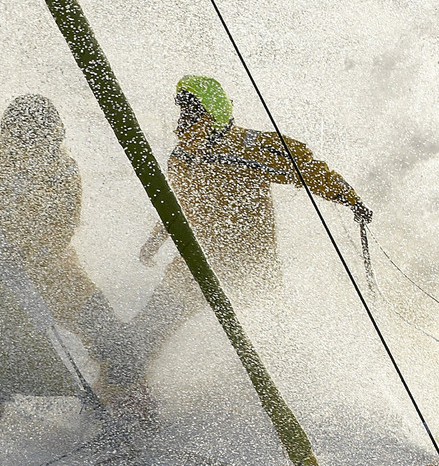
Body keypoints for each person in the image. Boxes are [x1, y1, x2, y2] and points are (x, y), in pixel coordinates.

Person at [0, 94, 140, 466]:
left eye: (43, 137)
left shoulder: (61, 169)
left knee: (114, 342)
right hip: (0, 285)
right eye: (28, 137)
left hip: (54, 275)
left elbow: (62, 230)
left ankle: (129, 420)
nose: (36, 145)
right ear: (11, 134)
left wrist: (24, 254)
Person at [133, 74, 370, 356]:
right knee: (146, 331)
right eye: (182, 109)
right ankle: (129, 387)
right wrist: (156, 240)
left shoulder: (248, 146)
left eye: (191, 109)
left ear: (211, 112)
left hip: (250, 268)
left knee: (270, 346)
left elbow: (308, 168)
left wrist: (350, 199)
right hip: (194, 265)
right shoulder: (182, 156)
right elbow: (179, 204)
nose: (184, 118)